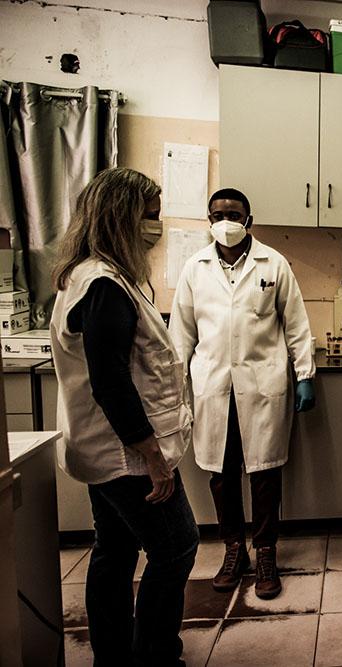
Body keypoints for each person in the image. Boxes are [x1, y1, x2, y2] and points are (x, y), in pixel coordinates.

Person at [51, 167, 199, 666]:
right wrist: (153, 458)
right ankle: (156, 654)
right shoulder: (105, 286)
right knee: (177, 546)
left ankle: (113, 655)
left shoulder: (91, 275)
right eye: (150, 217)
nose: (155, 228)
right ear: (123, 217)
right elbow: (111, 383)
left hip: (102, 448)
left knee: (113, 548)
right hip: (126, 455)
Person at [169, 188, 315, 600]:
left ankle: (265, 551)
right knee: (221, 474)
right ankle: (235, 550)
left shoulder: (275, 263)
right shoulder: (194, 268)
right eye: (218, 214)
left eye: (234, 214)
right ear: (209, 219)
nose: (226, 221)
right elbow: (180, 334)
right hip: (213, 387)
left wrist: (305, 373)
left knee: (266, 474)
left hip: (262, 383)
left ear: (249, 220)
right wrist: (174, 388)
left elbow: (296, 323)